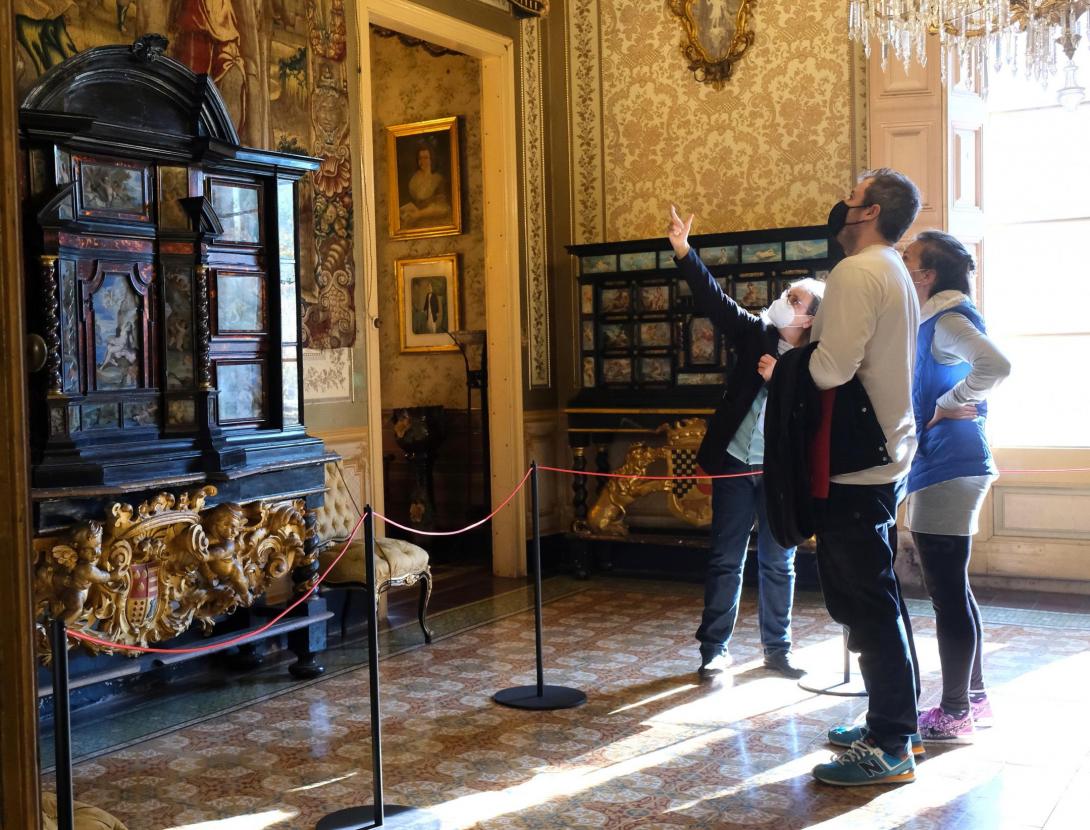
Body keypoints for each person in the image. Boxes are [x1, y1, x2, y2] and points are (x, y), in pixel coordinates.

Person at [667, 205, 824, 680]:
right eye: (787, 295)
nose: (784, 302)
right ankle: (714, 648)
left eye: (795, 300)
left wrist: (783, 380)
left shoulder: (819, 358)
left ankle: (778, 650)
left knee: (780, 563)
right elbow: (715, 301)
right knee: (724, 559)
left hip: (779, 474)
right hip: (735, 464)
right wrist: (683, 251)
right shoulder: (756, 332)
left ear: (812, 319)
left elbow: (813, 416)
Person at [804, 169, 924, 786]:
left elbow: (829, 370)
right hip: (885, 454)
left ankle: (892, 741)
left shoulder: (856, 271)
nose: (841, 207)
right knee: (875, 595)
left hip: (855, 459)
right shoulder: (894, 269)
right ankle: (892, 718)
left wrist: (788, 355)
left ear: (870, 211)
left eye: (851, 200)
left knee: (868, 601)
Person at [902, 231, 1010, 741]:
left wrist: (949, 402)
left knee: (946, 594)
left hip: (952, 463)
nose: (901, 264)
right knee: (954, 591)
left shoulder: (947, 319)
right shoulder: (937, 319)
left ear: (926, 276)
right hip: (946, 463)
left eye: (908, 259)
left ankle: (955, 710)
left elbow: (997, 365)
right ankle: (974, 698)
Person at [400, 145, 451, 229]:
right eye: (420, 158)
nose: (423, 161)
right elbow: (412, 202)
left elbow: (442, 208)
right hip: (414, 217)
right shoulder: (414, 179)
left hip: (432, 218)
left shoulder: (438, 179)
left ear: (431, 160)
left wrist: (419, 214)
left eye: (426, 158)